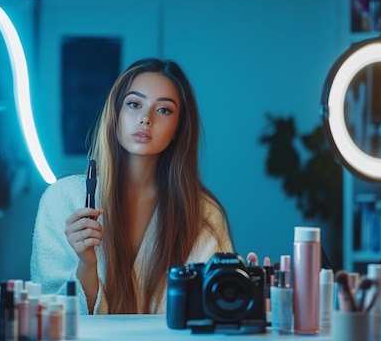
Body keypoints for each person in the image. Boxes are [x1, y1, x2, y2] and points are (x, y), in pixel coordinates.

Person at [30, 58, 234, 315]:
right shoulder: (61, 199)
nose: (146, 119)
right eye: (134, 104)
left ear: (178, 129)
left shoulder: (202, 213)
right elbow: (49, 314)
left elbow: (213, 312)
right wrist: (86, 264)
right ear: (115, 115)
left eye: (164, 110)